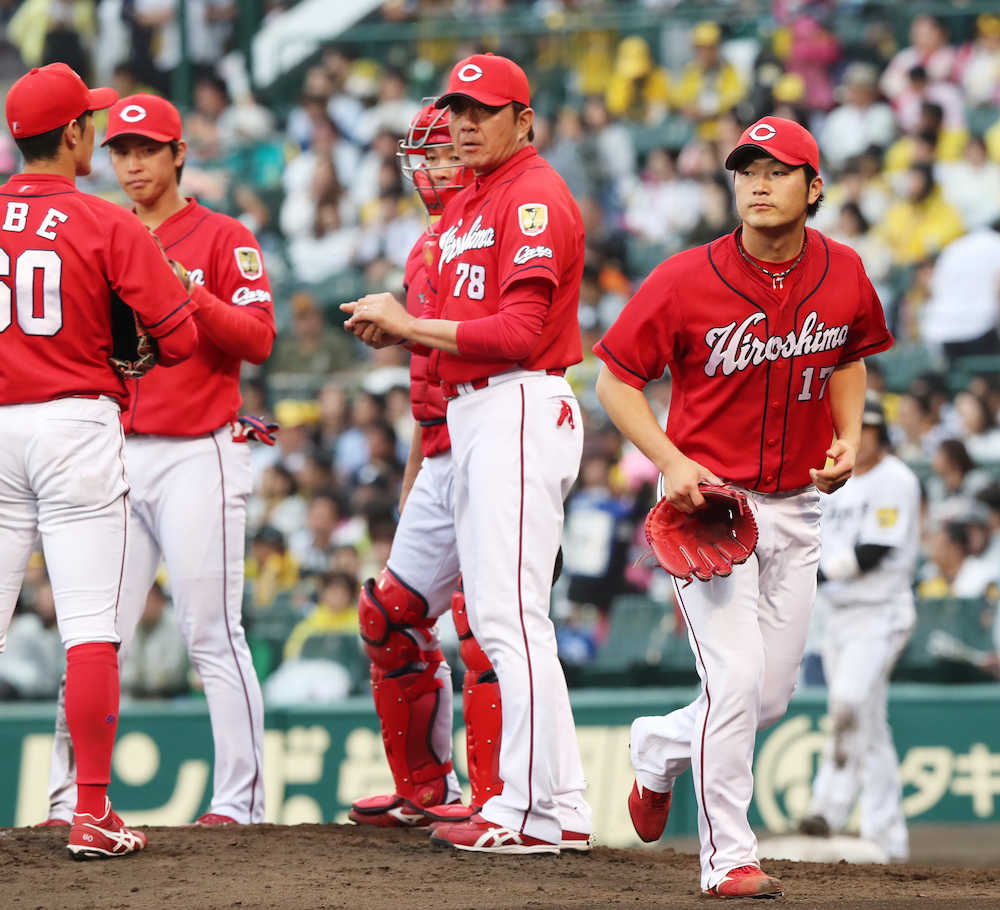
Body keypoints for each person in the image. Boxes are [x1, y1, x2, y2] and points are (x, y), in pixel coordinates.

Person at [593, 117, 893, 897]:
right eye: (746, 170)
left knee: (766, 696)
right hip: (711, 510)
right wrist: (667, 460)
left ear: (813, 186)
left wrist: (850, 436)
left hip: (796, 507)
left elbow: (850, 356)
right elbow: (615, 379)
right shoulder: (683, 278)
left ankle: (657, 747)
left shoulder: (846, 271)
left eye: (777, 170)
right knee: (733, 681)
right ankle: (729, 856)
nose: (758, 184)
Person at [341, 53, 592, 854]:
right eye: (459, 111)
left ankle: (524, 810)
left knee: (507, 623)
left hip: (518, 399)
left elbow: (519, 334)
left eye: (484, 111)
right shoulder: (470, 208)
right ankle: (558, 807)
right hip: (478, 416)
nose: (465, 126)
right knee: (505, 620)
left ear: (524, 119)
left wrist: (407, 325)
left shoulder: (530, 195)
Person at [41, 93, 274, 827]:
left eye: (147, 149)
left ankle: (239, 802)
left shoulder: (222, 235)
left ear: (179, 153)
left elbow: (257, 340)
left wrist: (190, 295)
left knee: (210, 632)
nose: (133, 163)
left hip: (196, 452)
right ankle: (65, 799)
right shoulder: (98, 231)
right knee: (92, 632)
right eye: (120, 151)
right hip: (109, 452)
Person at [1, 63, 199, 857]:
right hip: (74, 425)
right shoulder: (107, 222)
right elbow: (181, 339)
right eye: (89, 121)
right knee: (88, 628)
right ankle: (90, 811)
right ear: (75, 134)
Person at [345, 101, 498, 830]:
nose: (437, 169)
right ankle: (425, 792)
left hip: (495, 441)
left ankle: (500, 800)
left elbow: (505, 343)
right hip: (438, 452)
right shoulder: (423, 246)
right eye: (427, 157)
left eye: (447, 155)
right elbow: (428, 383)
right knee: (389, 618)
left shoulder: (489, 224)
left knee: (483, 626)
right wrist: (411, 478)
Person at [797, 396, 919, 861]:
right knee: (868, 723)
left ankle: (828, 808)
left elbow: (875, 550)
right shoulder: (836, 481)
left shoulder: (897, 479)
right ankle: (886, 836)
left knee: (847, 703)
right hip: (840, 615)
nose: (859, 437)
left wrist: (820, 573)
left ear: (880, 434)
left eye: (868, 430)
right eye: (854, 428)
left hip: (881, 611)